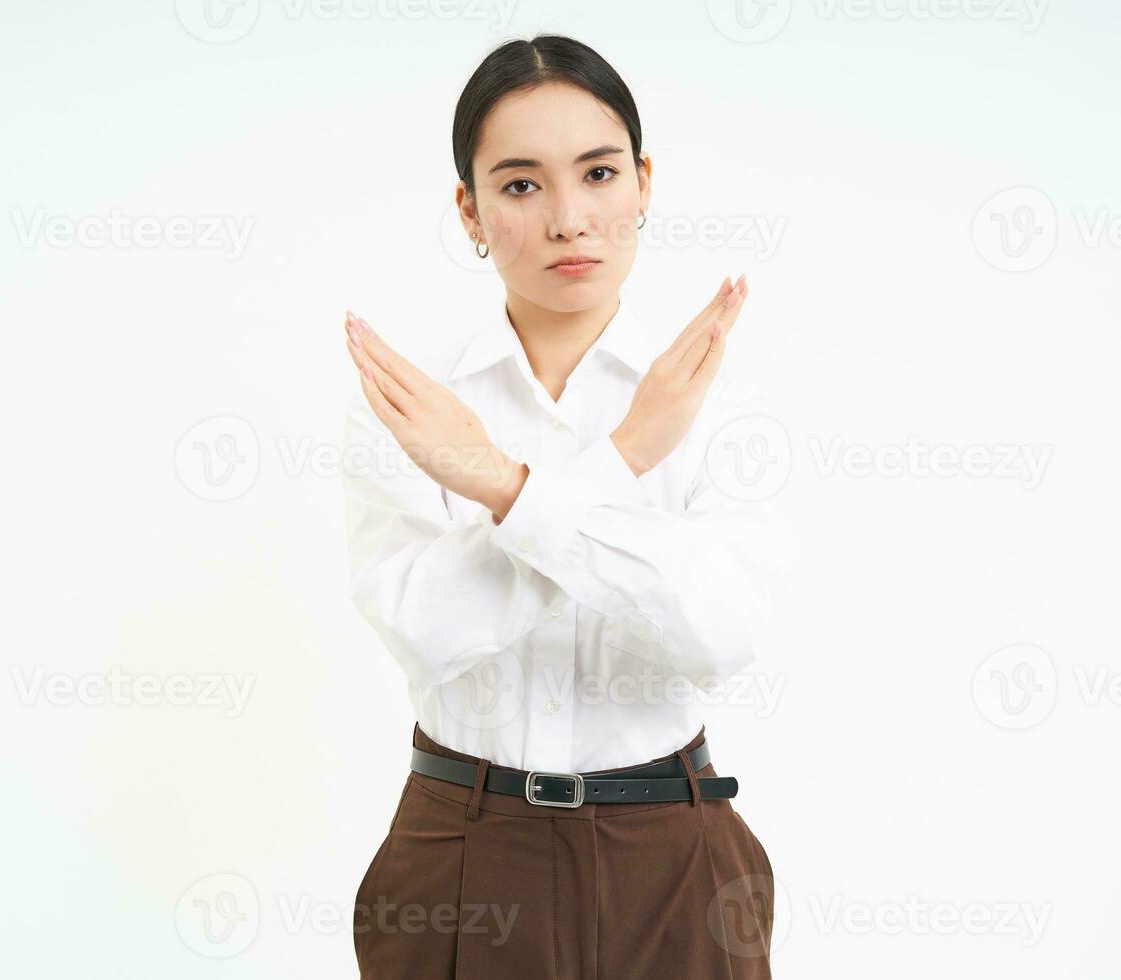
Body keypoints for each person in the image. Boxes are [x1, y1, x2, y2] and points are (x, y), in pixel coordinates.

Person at [340, 33, 794, 979]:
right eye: (520, 185)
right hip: (463, 852)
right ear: (469, 209)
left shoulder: (718, 393)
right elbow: (425, 630)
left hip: (674, 853)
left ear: (644, 183)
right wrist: (625, 461)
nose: (568, 219)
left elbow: (720, 634)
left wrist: (504, 492)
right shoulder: (413, 403)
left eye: (597, 173)